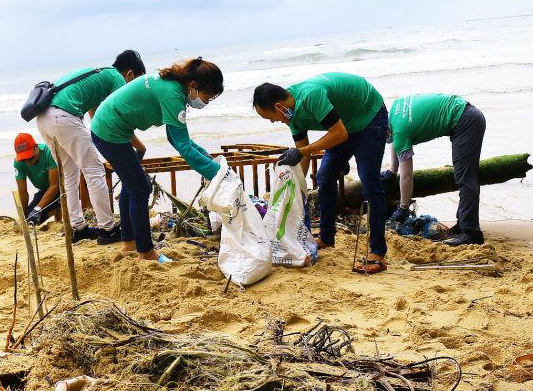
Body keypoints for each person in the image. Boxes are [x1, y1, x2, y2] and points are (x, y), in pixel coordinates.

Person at [253, 73, 388, 273]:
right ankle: (326, 237)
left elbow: (337, 135)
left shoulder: (311, 96)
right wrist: (297, 185)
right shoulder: (292, 117)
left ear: (278, 107)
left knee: (370, 183)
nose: (273, 122)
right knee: (324, 177)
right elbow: (303, 154)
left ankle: (378, 252)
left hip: (369, 116)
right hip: (344, 125)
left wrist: (300, 152)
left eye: (269, 117)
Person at [91, 58, 223, 262]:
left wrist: (206, 158)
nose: (206, 102)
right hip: (109, 131)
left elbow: (177, 138)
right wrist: (217, 174)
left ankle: (129, 244)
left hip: (110, 126)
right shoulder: (172, 94)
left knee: (132, 184)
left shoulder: (174, 87)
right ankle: (146, 252)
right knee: (140, 188)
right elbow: (182, 145)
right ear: (194, 85)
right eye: (208, 97)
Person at [37, 50, 147, 243]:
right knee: (94, 170)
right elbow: (119, 119)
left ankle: (77, 227)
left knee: (70, 174)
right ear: (130, 74)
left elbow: (95, 118)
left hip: (44, 118)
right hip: (64, 117)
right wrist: (139, 145)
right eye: (135, 82)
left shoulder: (100, 75)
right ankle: (108, 229)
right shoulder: (117, 80)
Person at [383, 94, 486, 246]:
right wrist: (392, 171)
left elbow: (406, 176)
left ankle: (472, 233)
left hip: (465, 122)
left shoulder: (399, 133)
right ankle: (463, 225)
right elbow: (395, 140)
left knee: (466, 180)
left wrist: (403, 207)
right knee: (464, 177)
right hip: (467, 114)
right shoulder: (396, 109)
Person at [14, 133, 61, 225]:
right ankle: (54, 209)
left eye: (30, 158)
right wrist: (23, 218)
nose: (28, 162)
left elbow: (54, 186)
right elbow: (23, 193)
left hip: (62, 188)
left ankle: (58, 209)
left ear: (36, 148)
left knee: (37, 212)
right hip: (44, 191)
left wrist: (38, 208)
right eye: (24, 159)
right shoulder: (18, 163)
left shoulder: (49, 153)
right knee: (30, 220)